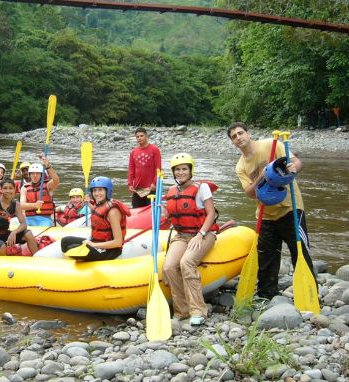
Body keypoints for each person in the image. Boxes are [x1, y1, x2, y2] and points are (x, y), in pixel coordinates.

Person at [227, 122, 316, 300]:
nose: (238, 138)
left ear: (248, 133)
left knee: (300, 253)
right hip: (265, 214)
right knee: (267, 258)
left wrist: (294, 168)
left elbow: (296, 161)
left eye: (240, 133)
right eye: (234, 137)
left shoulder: (270, 145)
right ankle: (267, 296)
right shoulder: (241, 166)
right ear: (232, 142)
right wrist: (263, 175)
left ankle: (309, 295)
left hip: (290, 208)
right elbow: (250, 193)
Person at [162, 153, 218, 326]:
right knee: (169, 267)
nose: (181, 172)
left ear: (190, 170)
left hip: (204, 234)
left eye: (184, 169)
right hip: (181, 235)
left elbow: (211, 214)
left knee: (187, 262)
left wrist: (200, 234)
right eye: (177, 170)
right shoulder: (172, 191)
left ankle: (198, 310)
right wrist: (161, 210)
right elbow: (171, 216)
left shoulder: (202, 188)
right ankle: (182, 310)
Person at [61, 176, 131, 261]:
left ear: (107, 191)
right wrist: (88, 203)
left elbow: (118, 242)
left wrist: (93, 245)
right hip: (96, 242)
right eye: (94, 190)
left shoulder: (113, 211)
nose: (97, 193)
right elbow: (98, 213)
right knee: (65, 241)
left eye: (100, 190)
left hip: (110, 250)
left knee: (72, 248)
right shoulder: (100, 205)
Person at [0, 163, 38, 255]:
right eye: (5, 188)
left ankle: (38, 259)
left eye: (10, 188)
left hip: (4, 234)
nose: (8, 191)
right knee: (2, 246)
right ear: (1, 189)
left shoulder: (15, 204)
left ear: (14, 190)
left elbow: (23, 224)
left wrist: (14, 232)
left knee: (28, 234)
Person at [20, 156, 60, 226]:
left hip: (44, 219)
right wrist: (34, 205)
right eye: (33, 173)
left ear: (41, 175)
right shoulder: (25, 188)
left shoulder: (48, 185)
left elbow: (56, 180)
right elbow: (22, 205)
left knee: (44, 226)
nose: (35, 176)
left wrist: (48, 166)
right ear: (29, 175)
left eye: (37, 173)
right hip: (29, 219)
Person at [127, 127, 162, 208]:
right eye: (137, 137)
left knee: (150, 213)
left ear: (146, 136)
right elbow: (131, 170)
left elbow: (158, 168)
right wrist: (130, 184)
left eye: (141, 136)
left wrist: (154, 183)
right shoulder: (133, 152)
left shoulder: (155, 150)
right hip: (137, 189)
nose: (139, 138)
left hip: (151, 188)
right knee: (136, 212)